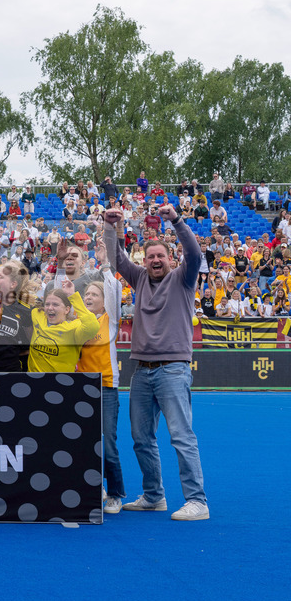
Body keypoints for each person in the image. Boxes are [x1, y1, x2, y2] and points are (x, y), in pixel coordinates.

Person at [104, 204, 209, 521]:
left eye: (161, 256)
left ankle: (197, 501)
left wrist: (176, 220)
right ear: (145, 261)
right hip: (141, 372)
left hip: (173, 370)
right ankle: (153, 496)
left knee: (181, 437)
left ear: (171, 259)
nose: (155, 261)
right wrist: (112, 228)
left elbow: (193, 253)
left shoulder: (183, 279)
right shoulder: (139, 280)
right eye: (150, 257)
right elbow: (117, 259)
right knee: (141, 439)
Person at [76, 240, 126, 513]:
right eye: (87, 295)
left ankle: (116, 492)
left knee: (108, 442)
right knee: (84, 440)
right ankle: (95, 487)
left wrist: (105, 264)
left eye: (94, 295)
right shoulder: (79, 322)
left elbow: (115, 290)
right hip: (82, 387)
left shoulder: (111, 319)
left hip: (106, 385)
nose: (89, 298)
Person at [27, 276, 98, 372]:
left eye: (55, 304)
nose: (50, 308)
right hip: (34, 380)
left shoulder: (74, 328)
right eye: (47, 304)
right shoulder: (37, 315)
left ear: (67, 309)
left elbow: (93, 327)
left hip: (61, 383)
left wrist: (72, 295)